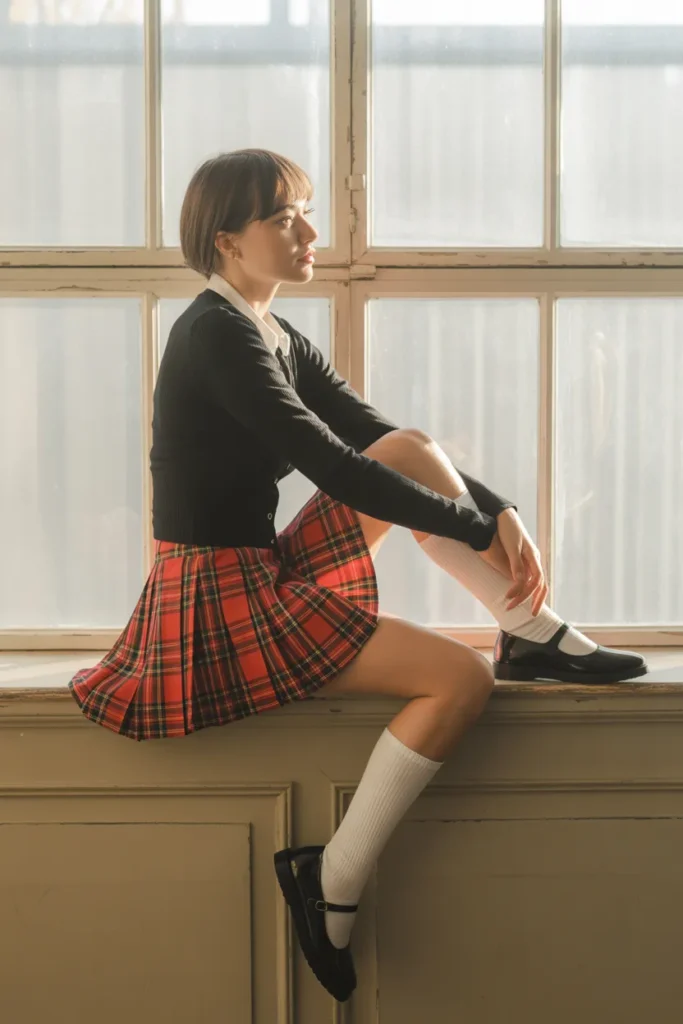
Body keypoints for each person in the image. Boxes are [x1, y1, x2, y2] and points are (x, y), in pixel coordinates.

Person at [68, 149, 648, 1003]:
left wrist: (498, 508)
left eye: (306, 210)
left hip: (253, 571)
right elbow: (335, 469)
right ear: (228, 241)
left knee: (410, 446)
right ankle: (329, 878)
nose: (311, 232)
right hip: (210, 598)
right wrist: (482, 525)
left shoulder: (269, 330)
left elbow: (383, 440)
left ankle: (531, 632)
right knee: (456, 679)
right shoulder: (215, 334)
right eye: (285, 218)